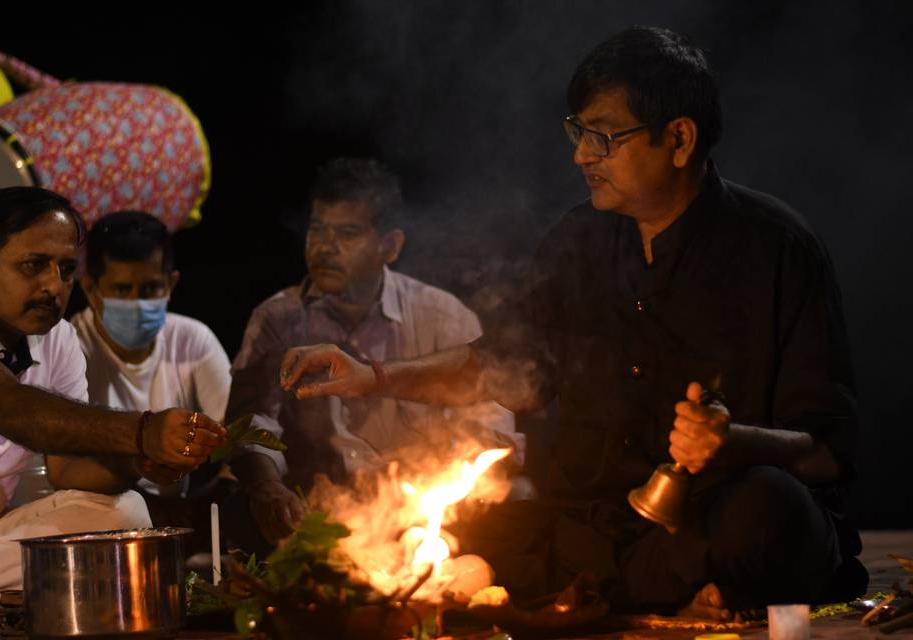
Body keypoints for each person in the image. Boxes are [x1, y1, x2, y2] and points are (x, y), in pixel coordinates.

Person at [279, 28, 867, 616]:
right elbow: (500, 368)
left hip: (714, 517)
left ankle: (664, 587)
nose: (581, 155)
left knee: (768, 510)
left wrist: (732, 441)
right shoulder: (578, 239)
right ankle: (680, 592)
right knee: (471, 521)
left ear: (679, 138)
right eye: (578, 132)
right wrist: (370, 376)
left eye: (604, 137)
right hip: (598, 529)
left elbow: (826, 453)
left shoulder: (777, 247)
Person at [226, 157, 522, 549]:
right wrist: (266, 487)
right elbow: (250, 430)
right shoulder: (277, 319)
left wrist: (435, 472)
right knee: (238, 508)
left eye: (347, 233)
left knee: (517, 504)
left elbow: (497, 435)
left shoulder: (443, 317)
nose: (325, 248)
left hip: (423, 520)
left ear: (391, 246)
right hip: (315, 520)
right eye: (317, 230)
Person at [0, 187, 223, 602]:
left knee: (127, 512)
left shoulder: (57, 339)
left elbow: (68, 472)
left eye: (64, 269)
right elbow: (8, 406)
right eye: (33, 266)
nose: (53, 286)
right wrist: (143, 430)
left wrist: (141, 460)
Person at [71, 211, 232, 517]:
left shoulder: (193, 340)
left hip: (179, 514)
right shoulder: (70, 350)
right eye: (121, 290)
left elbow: (235, 435)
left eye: (150, 289)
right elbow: (64, 470)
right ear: (90, 289)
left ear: (171, 284)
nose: (137, 303)